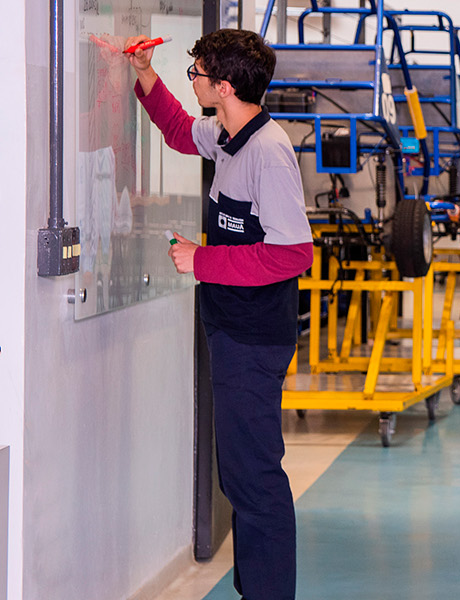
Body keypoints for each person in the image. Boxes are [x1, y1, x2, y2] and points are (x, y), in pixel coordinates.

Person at [126, 29, 312, 600]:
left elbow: (291, 254)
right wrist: (146, 75)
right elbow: (183, 134)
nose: (195, 81)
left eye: (197, 75)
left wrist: (202, 259)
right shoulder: (230, 134)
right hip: (231, 328)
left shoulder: (268, 151)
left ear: (224, 86)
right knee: (238, 471)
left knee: (253, 478)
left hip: (254, 338)